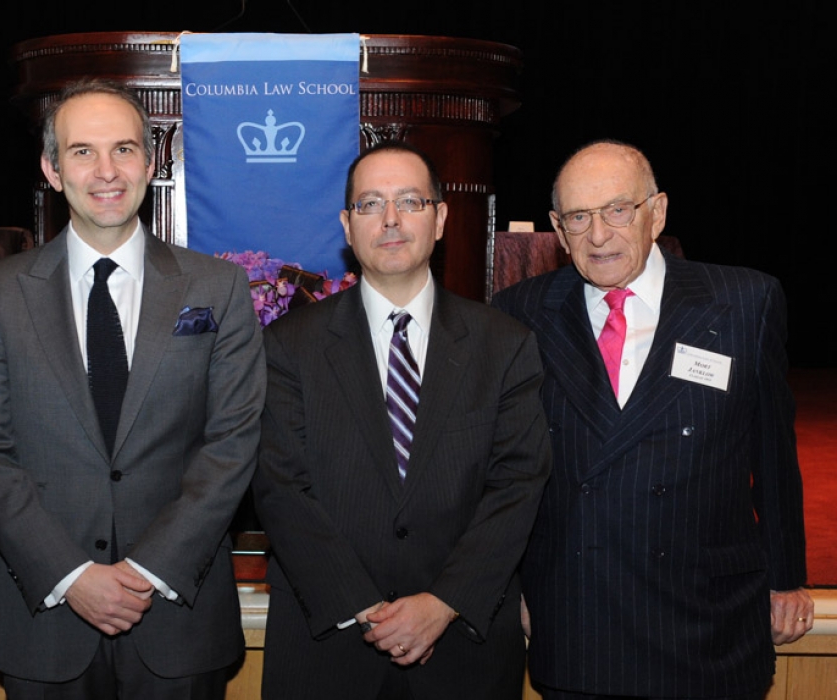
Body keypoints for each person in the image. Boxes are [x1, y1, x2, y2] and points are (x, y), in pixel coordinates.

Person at [0, 79, 264, 699]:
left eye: (123, 149)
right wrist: (71, 575)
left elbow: (232, 442)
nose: (105, 171)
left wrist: (148, 570)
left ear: (151, 162)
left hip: (180, 619)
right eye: (82, 151)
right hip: (47, 623)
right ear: (51, 167)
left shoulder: (218, 289)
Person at [491, 139, 813, 699]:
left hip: (706, 623)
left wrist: (786, 578)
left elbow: (773, 454)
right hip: (578, 623)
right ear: (557, 228)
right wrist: (516, 583)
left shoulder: (743, 302)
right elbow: (504, 469)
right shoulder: (520, 313)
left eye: (618, 209)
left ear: (656, 212)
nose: (598, 235)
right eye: (578, 216)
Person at [251, 141, 552, 699]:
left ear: (439, 218)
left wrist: (441, 604)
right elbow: (280, 486)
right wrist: (364, 608)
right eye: (370, 204)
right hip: (328, 651)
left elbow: (517, 486)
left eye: (410, 201)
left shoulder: (504, 346)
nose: (390, 220)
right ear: (347, 224)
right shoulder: (287, 346)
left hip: (463, 652)